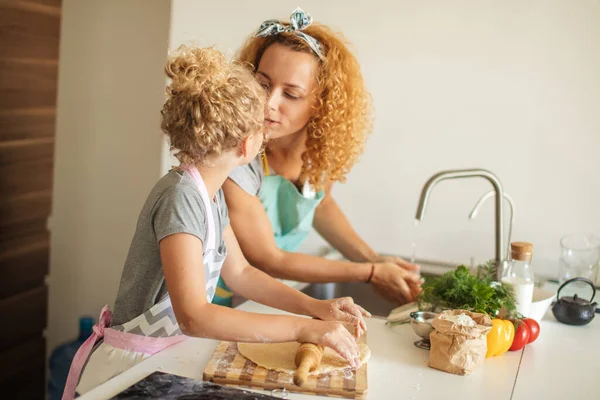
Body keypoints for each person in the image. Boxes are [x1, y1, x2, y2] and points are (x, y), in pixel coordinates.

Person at [62, 45, 369, 399]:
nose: (267, 135)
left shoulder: (212, 195)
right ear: (244, 145)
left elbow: (241, 274)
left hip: (166, 358)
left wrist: (316, 309)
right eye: (261, 131)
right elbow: (194, 316)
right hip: (128, 369)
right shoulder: (180, 198)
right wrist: (304, 330)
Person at [218, 8, 422, 307]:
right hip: (213, 302)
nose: (268, 103)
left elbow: (320, 204)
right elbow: (268, 259)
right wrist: (372, 272)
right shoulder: (235, 158)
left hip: (260, 302)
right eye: (262, 84)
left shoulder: (315, 156)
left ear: (321, 105)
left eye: (291, 94)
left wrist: (373, 259)